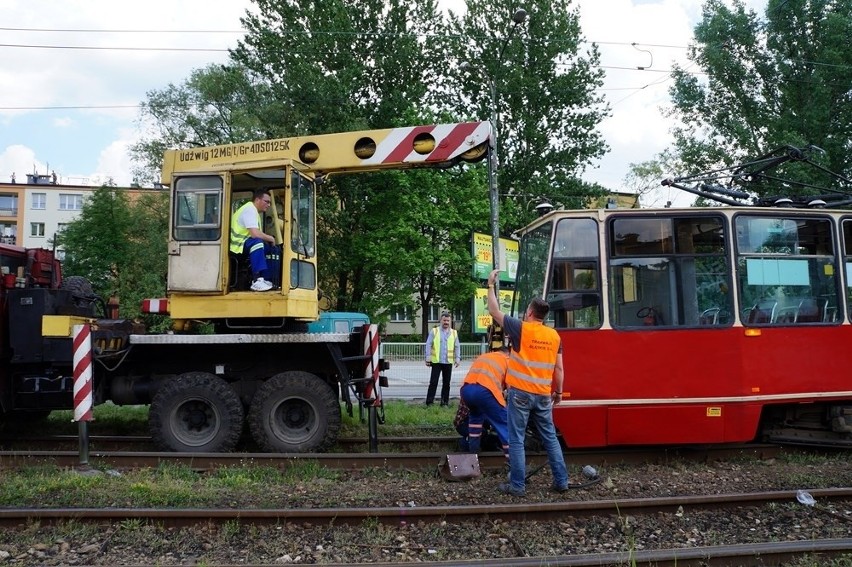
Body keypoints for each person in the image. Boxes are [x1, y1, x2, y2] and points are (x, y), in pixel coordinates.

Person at [486, 268, 569, 496]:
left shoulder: (521, 328)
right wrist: (559, 393)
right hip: (543, 395)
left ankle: (517, 486)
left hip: (521, 394)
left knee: (517, 439)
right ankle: (561, 481)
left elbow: (494, 310)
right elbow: (559, 368)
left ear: (530, 312)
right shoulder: (554, 336)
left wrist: (491, 285)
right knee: (550, 438)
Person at [458, 342, 510, 460]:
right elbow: (511, 389)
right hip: (485, 391)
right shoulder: (507, 360)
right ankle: (514, 464)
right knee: (505, 423)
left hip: (466, 391)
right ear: (508, 354)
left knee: (475, 420)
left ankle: (473, 453)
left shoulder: (484, 356)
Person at [230, 188, 276, 292]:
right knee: (257, 243)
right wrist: (271, 238)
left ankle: (266, 278)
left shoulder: (253, 211)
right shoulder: (250, 209)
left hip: (243, 244)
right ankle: (257, 280)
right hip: (236, 246)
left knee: (268, 248)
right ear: (257, 200)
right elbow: (255, 234)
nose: (268, 205)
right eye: (266, 201)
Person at [423, 311, 460, 406]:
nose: (446, 322)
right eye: (444, 320)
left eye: (448, 320)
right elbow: (428, 344)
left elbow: (457, 346)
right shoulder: (434, 331)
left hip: (448, 362)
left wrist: (457, 358)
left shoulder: (454, 333)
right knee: (433, 382)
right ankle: (429, 402)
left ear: (450, 321)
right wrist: (428, 357)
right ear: (441, 320)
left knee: (446, 384)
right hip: (436, 362)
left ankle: (444, 403)